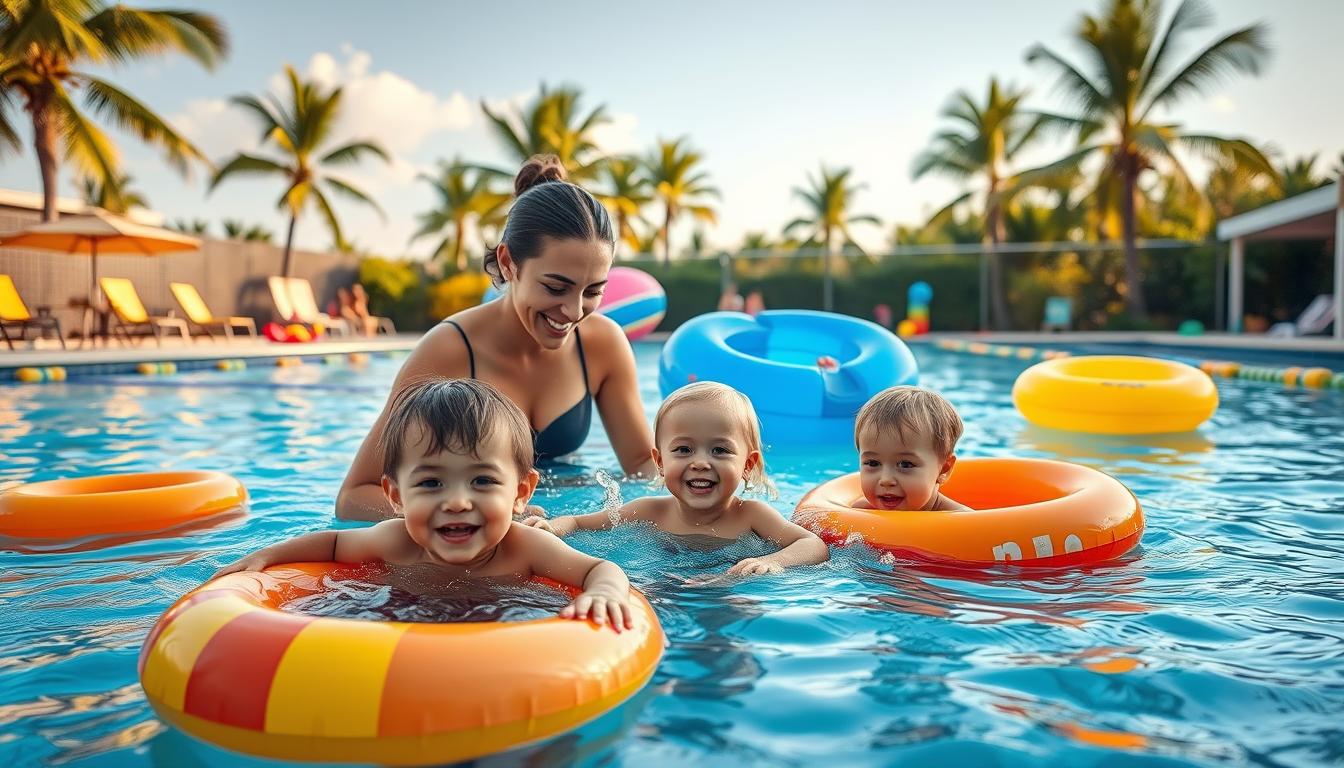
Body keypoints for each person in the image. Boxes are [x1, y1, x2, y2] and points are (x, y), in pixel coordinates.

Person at [337, 155, 655, 521]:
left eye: (593, 291)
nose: (573, 311)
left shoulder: (602, 344)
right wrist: (485, 517)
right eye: (555, 287)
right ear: (508, 262)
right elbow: (354, 497)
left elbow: (642, 465)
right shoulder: (449, 350)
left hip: (566, 518)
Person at [217, 378, 635, 630]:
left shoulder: (526, 548)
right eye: (431, 482)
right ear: (396, 496)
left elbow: (600, 568)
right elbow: (330, 543)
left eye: (483, 481)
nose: (457, 502)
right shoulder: (394, 542)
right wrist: (266, 555)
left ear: (521, 493)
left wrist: (605, 592)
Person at [524, 382, 829, 576]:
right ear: (660, 462)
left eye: (720, 450)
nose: (700, 463)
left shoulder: (751, 516)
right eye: (683, 450)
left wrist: (773, 562)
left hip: (731, 589)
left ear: (747, 465)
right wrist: (552, 527)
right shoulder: (648, 511)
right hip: (664, 581)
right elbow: (577, 523)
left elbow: (812, 544)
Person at [851, 386, 970, 512]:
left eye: (905, 464)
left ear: (944, 469)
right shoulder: (860, 511)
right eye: (873, 463)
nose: (886, 480)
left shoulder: (962, 520)